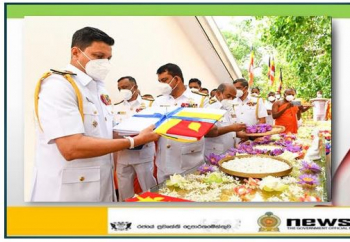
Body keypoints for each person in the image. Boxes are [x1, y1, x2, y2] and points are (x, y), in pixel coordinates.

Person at [31, 27, 159, 202]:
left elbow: (105, 133)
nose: (105, 63)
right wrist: (133, 141)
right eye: (99, 56)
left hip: (101, 188)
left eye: (109, 58)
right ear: (76, 53)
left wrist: (142, 131)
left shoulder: (98, 88)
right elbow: (71, 147)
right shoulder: (58, 85)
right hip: (69, 193)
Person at [152, 63, 217, 183]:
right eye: (160, 81)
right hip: (164, 160)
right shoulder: (158, 101)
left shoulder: (200, 99)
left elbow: (212, 129)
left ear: (177, 79)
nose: (162, 85)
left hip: (189, 160)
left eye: (164, 80)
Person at [113, 76, 157, 201]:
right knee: (124, 191)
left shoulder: (150, 105)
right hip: (123, 154)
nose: (122, 90)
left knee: (148, 189)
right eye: (119, 88)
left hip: (143, 154)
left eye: (125, 87)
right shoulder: (116, 107)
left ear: (135, 87)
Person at [205, 83, 247, 156]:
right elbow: (208, 132)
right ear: (218, 93)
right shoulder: (211, 108)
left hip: (229, 151)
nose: (230, 99)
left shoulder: (228, 106)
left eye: (233, 97)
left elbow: (232, 130)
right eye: (228, 96)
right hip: (215, 153)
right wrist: (231, 128)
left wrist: (248, 135)